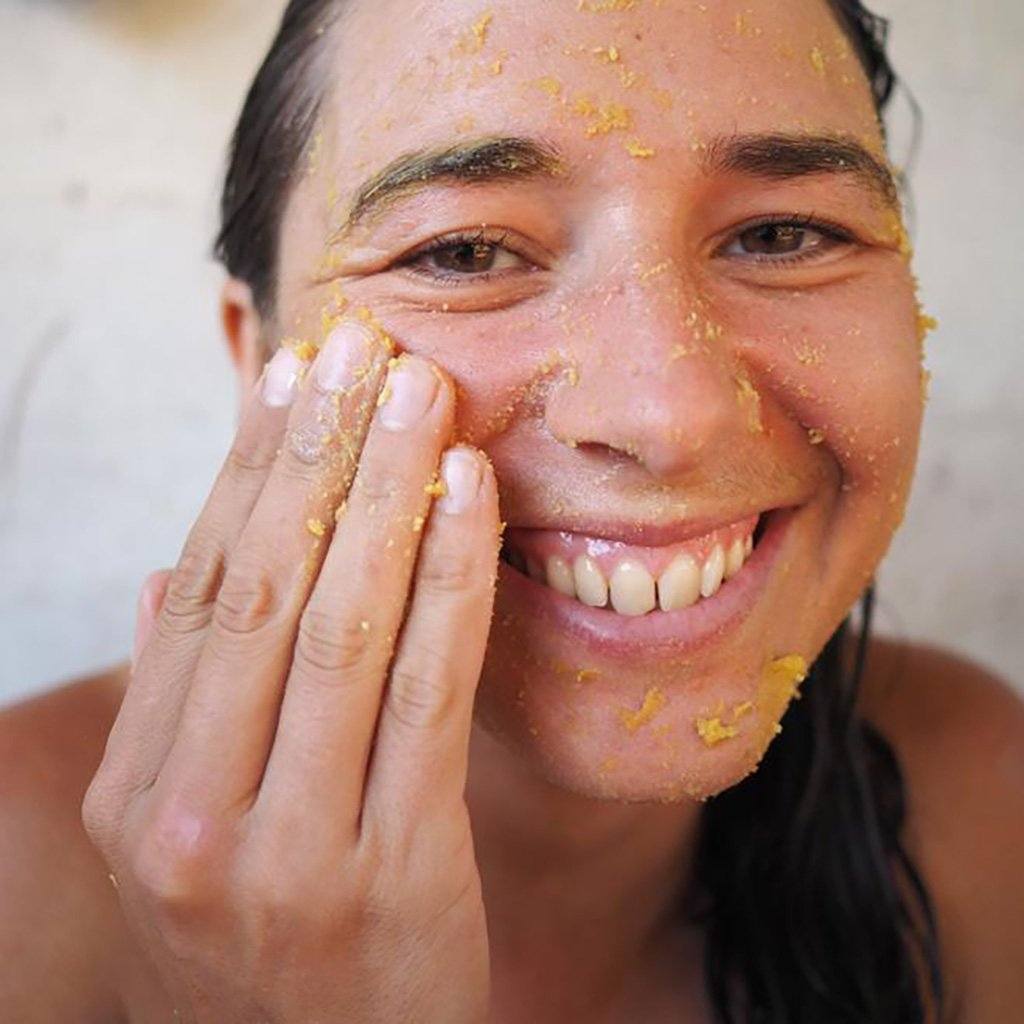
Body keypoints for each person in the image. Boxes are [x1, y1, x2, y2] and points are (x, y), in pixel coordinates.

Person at [1, 0, 1022, 1020]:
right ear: (257, 362)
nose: (668, 417)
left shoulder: (984, 808)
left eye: (781, 234)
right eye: (466, 253)